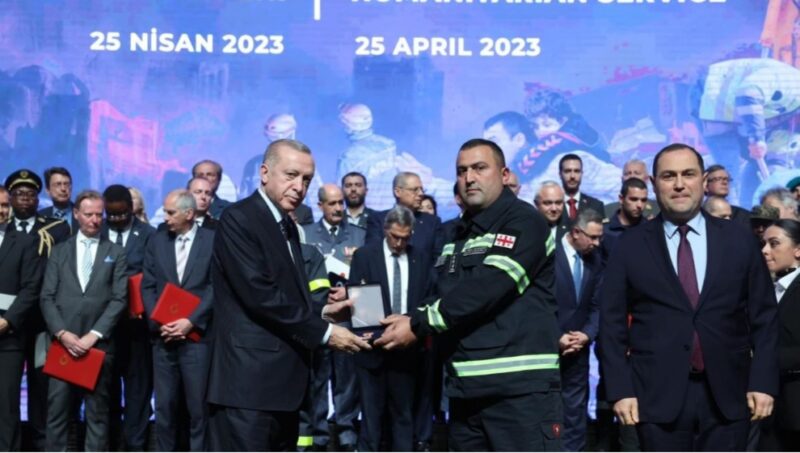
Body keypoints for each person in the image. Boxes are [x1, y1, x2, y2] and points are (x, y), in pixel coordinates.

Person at [375, 138, 563, 451]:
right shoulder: (455, 233)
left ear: (504, 175)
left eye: (479, 168)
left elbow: (487, 289)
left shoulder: (525, 221)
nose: (469, 178)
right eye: (462, 171)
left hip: (520, 393)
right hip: (465, 392)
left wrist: (417, 324)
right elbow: (442, 294)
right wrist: (402, 318)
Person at [600, 143, 779, 451]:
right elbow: (611, 325)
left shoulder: (739, 239)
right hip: (655, 400)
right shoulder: (629, 246)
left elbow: (765, 317)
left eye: (688, 174)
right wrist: (620, 390)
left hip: (730, 396)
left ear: (704, 180)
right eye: (669, 176)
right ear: (653, 184)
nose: (679, 184)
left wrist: (763, 382)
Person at [205, 139, 370, 451]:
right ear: (264, 173)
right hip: (248, 387)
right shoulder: (240, 218)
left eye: (306, 179)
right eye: (291, 175)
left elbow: (286, 295)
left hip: (283, 388)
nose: (299, 187)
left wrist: (323, 312)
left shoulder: (287, 225)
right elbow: (260, 296)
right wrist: (325, 333)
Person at [40, 190, 128, 451]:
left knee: (97, 415)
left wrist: (94, 335)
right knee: (57, 414)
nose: (95, 220)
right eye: (89, 214)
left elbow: (119, 299)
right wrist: (62, 332)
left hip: (98, 346)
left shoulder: (116, 252)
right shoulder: (59, 251)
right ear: (76, 214)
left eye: (99, 214)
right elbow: (46, 297)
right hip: (62, 345)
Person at [346, 205, 435, 451]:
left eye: (405, 238)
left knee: (403, 417)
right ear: (386, 230)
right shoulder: (365, 256)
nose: (399, 243)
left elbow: (429, 297)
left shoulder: (421, 258)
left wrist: (407, 321)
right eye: (395, 236)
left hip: (407, 350)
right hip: (371, 349)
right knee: (371, 421)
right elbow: (356, 297)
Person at [142, 189, 214, 451]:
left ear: (189, 213)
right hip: (163, 339)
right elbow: (148, 285)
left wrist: (191, 321)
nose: (165, 217)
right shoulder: (157, 240)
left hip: (198, 340)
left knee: (198, 410)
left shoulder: (212, 241)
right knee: (165, 409)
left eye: (171, 212)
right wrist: (160, 321)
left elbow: (215, 287)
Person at [4, 169, 70, 451]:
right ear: (10, 197)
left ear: (37, 197)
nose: (25, 199)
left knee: (42, 385)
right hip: (9, 323)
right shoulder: (3, 227)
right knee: (6, 390)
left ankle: (42, 444)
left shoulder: (55, 228)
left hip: (42, 321)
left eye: (30, 194)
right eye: (19, 194)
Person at [303, 184, 366, 450]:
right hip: (318, 318)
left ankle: (346, 431)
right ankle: (318, 435)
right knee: (317, 379)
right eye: (332, 203)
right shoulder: (306, 234)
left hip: (348, 317)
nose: (339, 208)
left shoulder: (360, 235)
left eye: (341, 202)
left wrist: (347, 291)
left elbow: (367, 276)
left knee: (347, 380)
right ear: (320, 206)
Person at [101, 184, 156, 451]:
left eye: (122, 213)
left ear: (131, 208)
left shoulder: (148, 234)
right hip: (105, 328)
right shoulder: (96, 232)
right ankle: (111, 444)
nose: (116, 219)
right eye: (111, 214)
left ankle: (135, 446)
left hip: (138, 328)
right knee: (106, 391)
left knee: (138, 392)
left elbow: (152, 273)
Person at [596, 177, 647, 451]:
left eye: (643, 200)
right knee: (609, 381)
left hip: (641, 316)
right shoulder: (607, 233)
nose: (639, 205)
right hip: (613, 316)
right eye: (634, 199)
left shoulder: (651, 232)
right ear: (621, 198)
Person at [0, 185, 45, 451]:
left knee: (6, 406)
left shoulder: (26, 242)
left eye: (4, 205)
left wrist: (8, 321)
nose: (2, 211)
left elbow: (31, 288)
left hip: (8, 337)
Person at [555, 209, 603, 452]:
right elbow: (538, 303)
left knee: (575, 414)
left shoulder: (595, 260)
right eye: (592, 237)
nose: (597, 243)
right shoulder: (547, 254)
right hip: (547, 348)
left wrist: (587, 334)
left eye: (599, 237)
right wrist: (556, 336)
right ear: (576, 232)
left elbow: (597, 304)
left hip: (579, 350)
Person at [759, 220, 800, 451]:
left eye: (774, 244)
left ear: (798, 250)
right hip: (774, 410)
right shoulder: (770, 287)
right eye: (763, 243)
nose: (765, 250)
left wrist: (761, 359)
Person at [364, 172, 443, 260]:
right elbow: (372, 255)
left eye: (422, 189)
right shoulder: (378, 220)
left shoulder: (432, 222)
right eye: (415, 190)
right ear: (397, 192)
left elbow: (439, 257)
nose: (421, 194)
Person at [559, 154, 604, 224]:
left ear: (582, 174)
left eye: (576, 171)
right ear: (560, 174)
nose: (572, 176)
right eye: (567, 171)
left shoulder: (596, 206)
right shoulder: (552, 206)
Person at [38, 167, 75, 232]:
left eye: (66, 184)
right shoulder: (39, 217)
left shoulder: (83, 214)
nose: (63, 189)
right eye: (58, 184)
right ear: (48, 190)